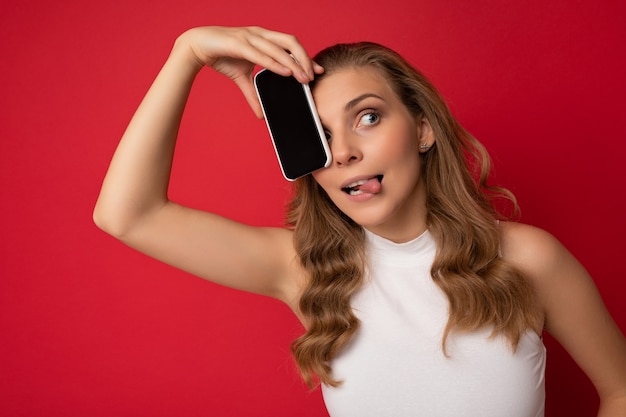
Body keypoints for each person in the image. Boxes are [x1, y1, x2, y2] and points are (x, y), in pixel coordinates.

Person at [93, 26, 626, 416]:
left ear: (423, 130)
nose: (343, 152)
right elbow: (127, 215)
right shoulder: (304, 271)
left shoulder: (528, 259)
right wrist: (186, 52)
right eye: (320, 135)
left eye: (367, 117)